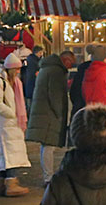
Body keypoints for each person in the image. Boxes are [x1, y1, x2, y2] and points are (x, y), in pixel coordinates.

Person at [26, 51, 75, 186]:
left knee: (47, 147)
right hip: (49, 115)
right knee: (49, 146)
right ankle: (48, 177)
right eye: (71, 62)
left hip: (44, 112)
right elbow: (55, 95)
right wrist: (60, 114)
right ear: (65, 60)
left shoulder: (47, 68)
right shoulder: (56, 72)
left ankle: (48, 176)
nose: (71, 66)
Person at [0, 53, 31, 197]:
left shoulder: (12, 81)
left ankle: (2, 183)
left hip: (9, 123)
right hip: (5, 122)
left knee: (7, 152)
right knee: (9, 152)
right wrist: (12, 113)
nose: (18, 72)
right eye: (17, 69)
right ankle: (11, 183)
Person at [69, 44, 95, 125]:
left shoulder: (79, 74)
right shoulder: (102, 73)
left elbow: (73, 92)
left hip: (78, 108)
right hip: (94, 111)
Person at [24, 45, 44, 113]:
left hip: (30, 83)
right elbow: (35, 72)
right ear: (37, 52)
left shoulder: (31, 59)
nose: (41, 54)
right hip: (33, 82)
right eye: (41, 52)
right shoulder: (34, 61)